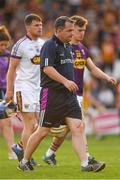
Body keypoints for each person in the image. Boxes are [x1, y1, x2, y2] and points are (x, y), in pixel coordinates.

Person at [18, 16, 105, 172]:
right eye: (69, 30)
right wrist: (65, 81)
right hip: (51, 94)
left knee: (78, 127)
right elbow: (47, 68)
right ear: (58, 31)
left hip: (69, 96)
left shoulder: (67, 46)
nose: (72, 33)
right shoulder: (49, 45)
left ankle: (85, 164)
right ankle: (24, 160)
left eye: (73, 30)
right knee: (42, 130)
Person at [42, 15, 117, 165]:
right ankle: (87, 158)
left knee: (67, 130)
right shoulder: (62, 47)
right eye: (78, 29)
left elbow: (92, 68)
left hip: (79, 93)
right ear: (71, 29)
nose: (82, 33)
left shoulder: (82, 49)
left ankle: (49, 154)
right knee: (79, 125)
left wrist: (106, 77)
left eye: (84, 30)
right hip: (64, 93)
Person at [5, 14, 44, 164]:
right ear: (28, 27)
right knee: (30, 124)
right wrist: (9, 91)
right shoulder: (20, 45)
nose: (40, 27)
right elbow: (11, 69)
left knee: (39, 125)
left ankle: (21, 148)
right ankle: (27, 158)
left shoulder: (44, 43)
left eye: (41, 25)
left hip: (39, 89)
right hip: (24, 87)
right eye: (36, 25)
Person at [0, 25, 17, 160]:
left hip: (5, 92)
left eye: (5, 45)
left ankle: (12, 151)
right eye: (1, 45)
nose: (3, 47)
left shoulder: (8, 55)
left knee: (7, 122)